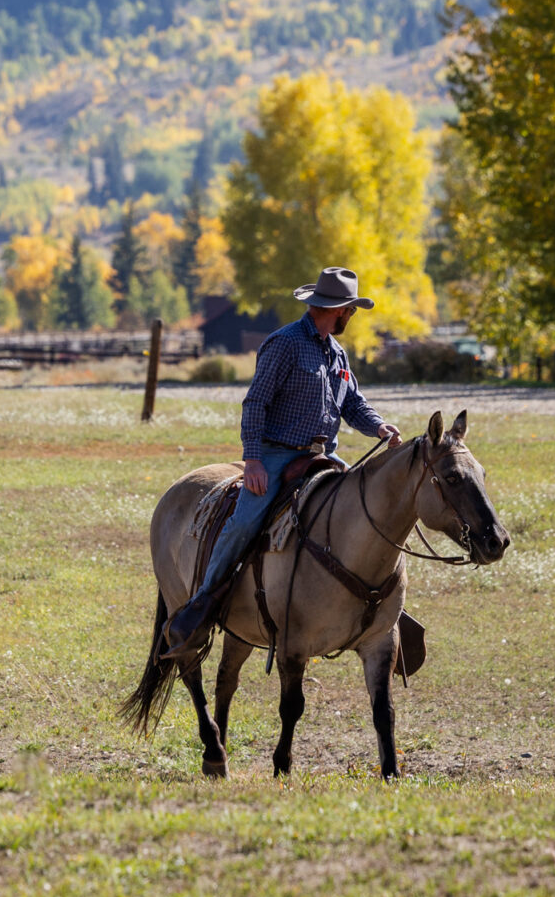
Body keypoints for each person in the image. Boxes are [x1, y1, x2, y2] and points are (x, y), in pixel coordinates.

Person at [166, 267, 401, 653]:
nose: (351, 317)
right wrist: (253, 461)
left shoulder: (337, 352)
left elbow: (353, 403)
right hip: (276, 456)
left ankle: (378, 606)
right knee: (244, 523)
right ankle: (203, 604)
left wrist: (378, 427)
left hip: (323, 456)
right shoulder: (285, 344)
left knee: (362, 509)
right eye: (350, 311)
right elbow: (256, 402)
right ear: (340, 310)